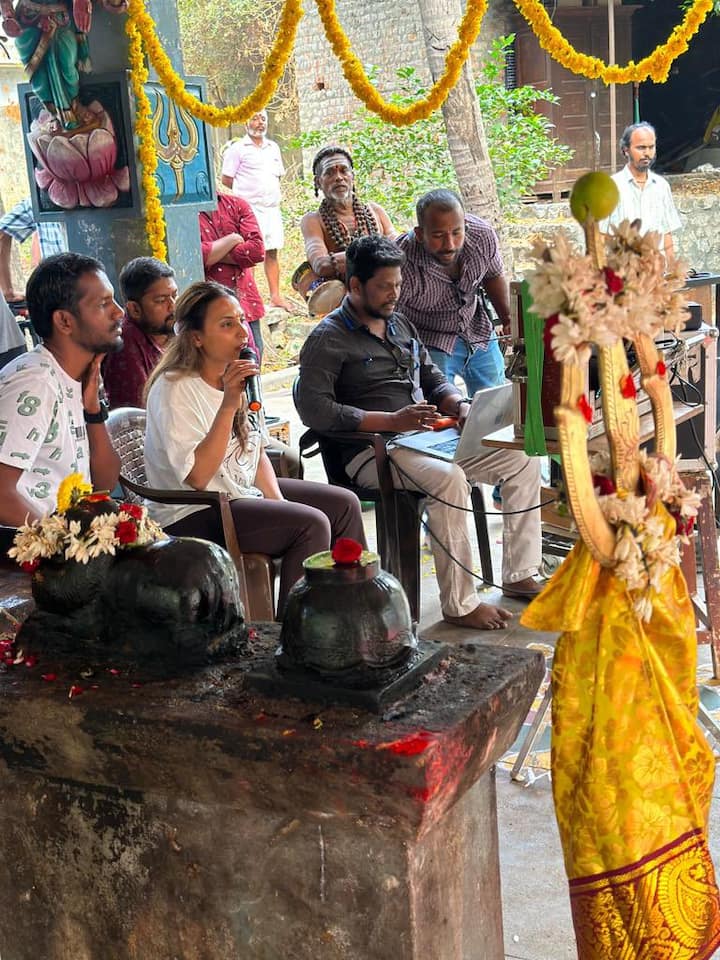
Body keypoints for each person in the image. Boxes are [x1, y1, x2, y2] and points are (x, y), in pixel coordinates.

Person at [295, 236, 543, 631]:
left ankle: (519, 572)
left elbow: (432, 377)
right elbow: (314, 409)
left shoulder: (399, 322)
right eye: (384, 286)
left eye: (398, 284)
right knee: (449, 480)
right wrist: (391, 422)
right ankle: (460, 604)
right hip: (372, 451)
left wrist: (459, 407)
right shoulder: (329, 338)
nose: (394, 294)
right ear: (355, 286)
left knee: (523, 457)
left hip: (425, 440)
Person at [143, 280, 366, 616]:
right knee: (311, 524)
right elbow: (199, 477)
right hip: (192, 510)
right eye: (227, 324)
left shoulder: (233, 375)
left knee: (344, 504)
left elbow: (255, 449)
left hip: (237, 494)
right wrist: (229, 404)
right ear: (196, 337)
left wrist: (278, 502)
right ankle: (296, 636)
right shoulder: (175, 388)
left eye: (241, 320)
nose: (242, 332)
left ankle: (349, 615)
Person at [0, 252, 122, 525]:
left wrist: (93, 412)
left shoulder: (77, 377)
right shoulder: (35, 384)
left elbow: (104, 484)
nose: (119, 311)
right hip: (30, 555)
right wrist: (65, 545)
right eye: (104, 304)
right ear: (65, 321)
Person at [396, 189, 509, 396]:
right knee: (439, 407)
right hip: (428, 340)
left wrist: (508, 319)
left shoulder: (482, 237)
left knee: (494, 406)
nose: (449, 245)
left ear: (465, 226)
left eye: (457, 233)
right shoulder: (401, 262)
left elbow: (493, 275)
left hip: (478, 331)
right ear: (420, 234)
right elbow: (388, 317)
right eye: (438, 235)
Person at [221, 110, 293, 312]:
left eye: (263, 119)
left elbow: (278, 176)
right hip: (249, 210)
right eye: (255, 118)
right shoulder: (237, 149)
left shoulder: (273, 148)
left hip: (271, 208)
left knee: (272, 251)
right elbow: (227, 178)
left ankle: (276, 296)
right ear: (245, 122)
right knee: (248, 253)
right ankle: (249, 299)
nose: (260, 123)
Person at [300, 145, 398, 285]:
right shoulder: (312, 221)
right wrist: (380, 255)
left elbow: (399, 246)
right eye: (329, 173)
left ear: (352, 176)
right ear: (318, 182)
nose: (339, 178)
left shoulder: (375, 211)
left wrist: (351, 259)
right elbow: (321, 264)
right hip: (345, 300)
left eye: (344, 170)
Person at [101, 257, 178, 410]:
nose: (173, 306)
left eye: (175, 296)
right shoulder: (125, 343)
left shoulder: (175, 331)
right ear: (135, 309)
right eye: (161, 300)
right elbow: (138, 415)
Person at [199, 192, 266, 362]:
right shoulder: (180, 212)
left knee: (252, 362)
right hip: (210, 311)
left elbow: (257, 251)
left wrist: (214, 253)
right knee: (220, 369)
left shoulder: (237, 204)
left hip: (245, 304)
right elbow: (195, 255)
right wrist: (233, 239)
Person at [603, 122, 682, 261]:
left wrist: (672, 271)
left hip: (656, 274)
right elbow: (600, 235)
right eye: (641, 148)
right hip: (623, 273)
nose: (647, 153)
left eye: (651, 147)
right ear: (625, 150)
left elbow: (667, 234)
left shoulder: (662, 186)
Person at [0, 197, 66, 303]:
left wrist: (7, 292)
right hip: (87, 297)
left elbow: (2, 233)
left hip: (56, 297)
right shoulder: (36, 203)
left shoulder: (40, 200)